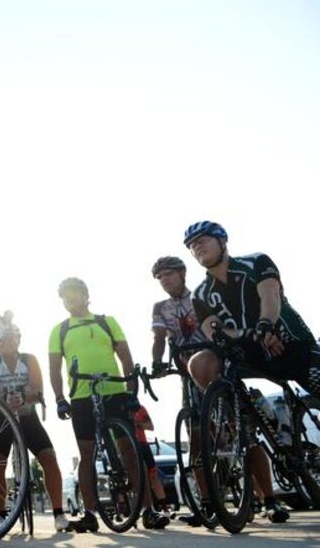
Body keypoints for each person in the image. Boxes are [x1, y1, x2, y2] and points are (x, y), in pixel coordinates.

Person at [183, 221, 312, 523]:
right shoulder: (200, 293)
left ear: (222, 241)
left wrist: (265, 325)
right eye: (192, 246)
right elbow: (214, 332)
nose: (197, 247)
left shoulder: (256, 262)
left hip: (287, 342)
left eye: (203, 241)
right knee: (201, 361)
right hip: (248, 352)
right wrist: (238, 337)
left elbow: (270, 297)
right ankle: (236, 413)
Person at [48, 277, 169, 532]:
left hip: (113, 391)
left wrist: (131, 390)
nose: (71, 300)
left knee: (130, 451)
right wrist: (59, 398)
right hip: (81, 396)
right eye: (66, 297)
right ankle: (91, 513)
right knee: (86, 455)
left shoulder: (107, 321)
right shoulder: (59, 330)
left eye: (75, 294)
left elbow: (125, 356)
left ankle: (148, 510)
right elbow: (54, 368)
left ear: (85, 294)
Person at [0, 323, 77, 532]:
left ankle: (59, 513)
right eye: (3, 339)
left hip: (27, 416)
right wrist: (4, 398)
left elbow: (39, 391)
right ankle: (0, 515)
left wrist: (23, 396)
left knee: (49, 457)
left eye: (12, 338)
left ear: (18, 340)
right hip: (2, 418)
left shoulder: (29, 359)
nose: (8, 342)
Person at [150, 255, 211, 525]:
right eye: (160, 277)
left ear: (182, 273)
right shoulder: (160, 307)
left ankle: (267, 498)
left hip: (215, 364)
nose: (165, 280)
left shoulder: (201, 295)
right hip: (187, 372)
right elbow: (159, 338)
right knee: (196, 438)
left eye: (169, 274)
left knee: (241, 427)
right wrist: (156, 363)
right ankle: (208, 503)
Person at [131, 405, 172, 517]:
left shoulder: (139, 408)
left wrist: (138, 424)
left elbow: (150, 426)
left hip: (143, 444)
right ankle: (125, 509)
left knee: (153, 475)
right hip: (129, 445)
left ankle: (165, 508)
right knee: (134, 476)